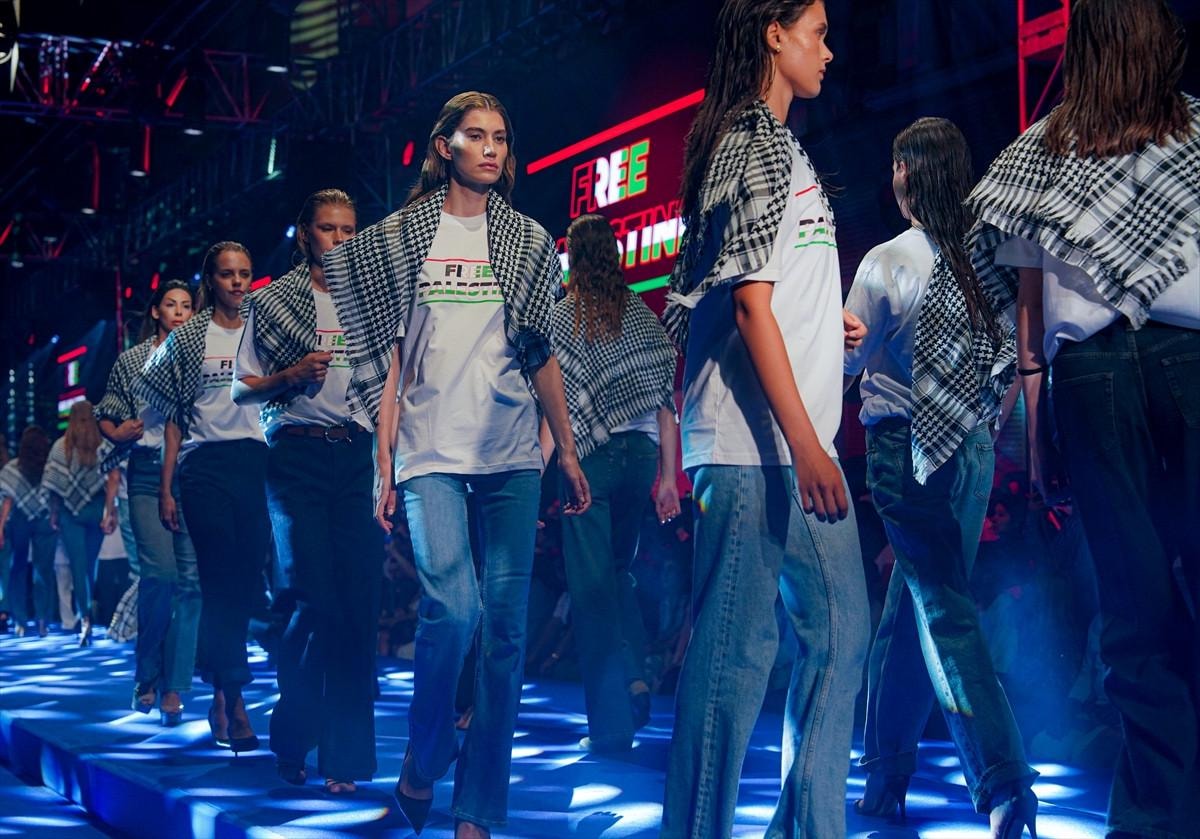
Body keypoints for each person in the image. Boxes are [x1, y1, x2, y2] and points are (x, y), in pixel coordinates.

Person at [321, 91, 590, 838]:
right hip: (430, 446)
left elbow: (541, 352)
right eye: (477, 135)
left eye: (501, 136)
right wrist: (383, 461)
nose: (493, 148)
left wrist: (567, 448)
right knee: (455, 607)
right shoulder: (398, 239)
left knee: (506, 632)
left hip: (511, 452)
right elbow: (386, 362)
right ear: (445, 147)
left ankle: (477, 807)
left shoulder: (528, 240)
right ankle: (427, 751)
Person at [968, 1, 1200, 835]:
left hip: (1090, 379)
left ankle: (1153, 819)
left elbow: (1028, 312)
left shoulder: (1038, 154)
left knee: (1135, 617)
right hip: (1190, 357)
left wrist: (1037, 426)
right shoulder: (1195, 133)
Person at [658, 2, 870, 835]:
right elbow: (748, 305)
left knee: (841, 633)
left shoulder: (783, 145)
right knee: (732, 662)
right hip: (757, 447)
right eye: (817, 32)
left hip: (794, 443)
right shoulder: (749, 139)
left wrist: (825, 314)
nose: (830, 50)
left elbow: (768, 287)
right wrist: (810, 446)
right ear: (774, 35)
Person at [843, 117, 1037, 837]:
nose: (891, 177)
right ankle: (886, 773)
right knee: (913, 611)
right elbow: (1016, 360)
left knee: (942, 609)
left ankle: (1004, 780)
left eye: (897, 165)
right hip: (973, 452)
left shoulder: (886, 261)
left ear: (908, 174)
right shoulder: (985, 263)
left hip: (907, 452)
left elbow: (844, 362)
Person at [232, 188, 380, 796]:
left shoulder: (373, 300)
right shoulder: (272, 302)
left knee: (357, 604)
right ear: (305, 234)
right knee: (308, 598)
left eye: (348, 230)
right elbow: (241, 388)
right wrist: (290, 375)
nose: (340, 239)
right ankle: (294, 734)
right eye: (328, 228)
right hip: (295, 455)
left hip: (357, 456)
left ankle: (344, 758)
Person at [539, 213, 679, 753]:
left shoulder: (562, 317)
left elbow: (555, 407)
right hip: (641, 459)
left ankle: (611, 728)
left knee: (590, 589)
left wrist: (541, 470)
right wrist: (668, 480)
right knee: (617, 575)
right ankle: (637, 675)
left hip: (589, 462)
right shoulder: (642, 316)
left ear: (573, 257)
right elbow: (664, 404)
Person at [138, 241, 270, 753]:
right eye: (228, 274)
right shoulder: (188, 337)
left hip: (255, 462)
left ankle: (222, 691)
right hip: (204, 467)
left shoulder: (264, 326)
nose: (238, 282)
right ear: (209, 280)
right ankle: (232, 697)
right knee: (216, 581)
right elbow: (172, 419)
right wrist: (166, 486)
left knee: (245, 584)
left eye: (245, 273)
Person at [96, 279, 200, 724]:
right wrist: (117, 430)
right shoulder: (132, 359)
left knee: (191, 584)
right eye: (171, 305)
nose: (179, 312)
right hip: (145, 472)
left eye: (187, 306)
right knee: (160, 574)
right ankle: (146, 675)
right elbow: (106, 412)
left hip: (192, 472)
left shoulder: (201, 358)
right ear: (156, 311)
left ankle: (175, 685)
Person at [41, 401, 118, 646]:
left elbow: (53, 487)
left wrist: (53, 514)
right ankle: (86, 613)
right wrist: (109, 512)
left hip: (69, 514)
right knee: (89, 567)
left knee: (77, 565)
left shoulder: (60, 446)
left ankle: (84, 617)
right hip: (95, 510)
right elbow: (113, 479)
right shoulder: (103, 445)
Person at [0, 427, 56, 638]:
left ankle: (21, 622)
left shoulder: (12, 468)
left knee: (18, 569)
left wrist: (0, 527)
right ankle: (42, 621)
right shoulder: (50, 468)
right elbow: (55, 497)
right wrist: (55, 517)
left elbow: (7, 501)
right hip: (45, 520)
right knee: (44, 570)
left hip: (20, 521)